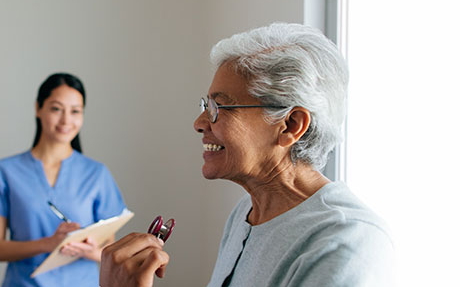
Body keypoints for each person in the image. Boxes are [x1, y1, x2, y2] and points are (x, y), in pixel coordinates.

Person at [100, 23, 394, 286]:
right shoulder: (247, 213)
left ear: (290, 125)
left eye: (218, 108)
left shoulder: (346, 244)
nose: (200, 123)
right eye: (205, 105)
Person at [0, 73, 127, 286]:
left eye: (75, 111)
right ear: (38, 108)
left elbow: (109, 249)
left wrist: (88, 250)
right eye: (56, 109)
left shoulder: (97, 173)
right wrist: (49, 244)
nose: (66, 120)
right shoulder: (5, 171)